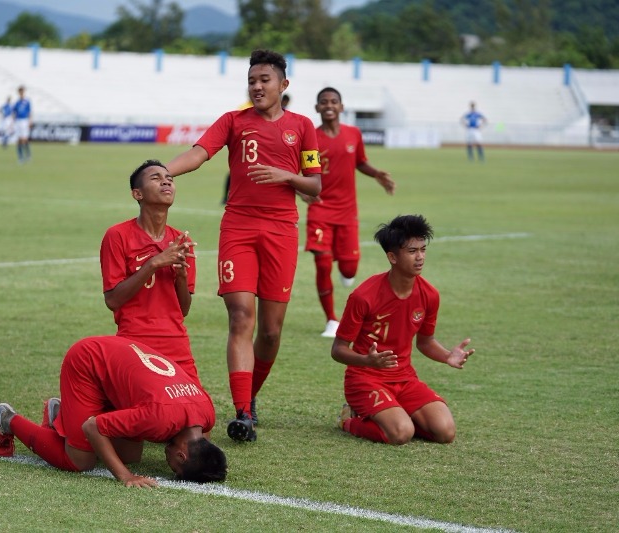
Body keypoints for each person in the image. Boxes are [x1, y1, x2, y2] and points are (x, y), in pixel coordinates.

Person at [166, 49, 322, 442]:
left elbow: (315, 186)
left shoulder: (302, 126)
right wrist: (161, 171)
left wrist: (286, 176)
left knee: (270, 332)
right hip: (238, 228)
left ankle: (250, 395)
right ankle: (242, 413)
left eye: (264, 80)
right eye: (252, 80)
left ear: (283, 85)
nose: (256, 86)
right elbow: (199, 153)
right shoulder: (233, 121)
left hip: (281, 233)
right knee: (240, 317)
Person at [0, 335, 227, 487]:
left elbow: (202, 445)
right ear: (181, 456)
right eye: (174, 467)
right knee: (80, 460)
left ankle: (61, 415)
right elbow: (92, 427)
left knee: (129, 455)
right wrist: (125, 476)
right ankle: (7, 419)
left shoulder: (206, 414)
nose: (168, 464)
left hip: (116, 357)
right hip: (88, 361)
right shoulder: (158, 419)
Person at [330, 214, 475, 445]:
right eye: (412, 251)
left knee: (445, 432)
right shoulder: (363, 296)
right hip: (365, 379)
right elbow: (338, 350)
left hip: (405, 378)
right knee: (400, 433)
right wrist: (367, 361)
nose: (420, 257)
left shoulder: (429, 295)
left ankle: (396, 414)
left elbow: (425, 342)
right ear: (392, 257)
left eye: (423, 249)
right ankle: (348, 420)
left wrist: (448, 356)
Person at [303, 87, 396, 339]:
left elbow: (360, 162)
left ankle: (346, 272)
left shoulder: (353, 134)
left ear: (341, 107)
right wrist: (302, 192)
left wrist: (376, 174)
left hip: (347, 212)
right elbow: (304, 173)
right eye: (324, 102)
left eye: (334, 101)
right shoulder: (312, 138)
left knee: (349, 269)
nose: (329, 105)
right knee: (323, 263)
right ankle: (331, 320)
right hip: (320, 210)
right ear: (317, 108)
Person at [100, 160, 200, 383]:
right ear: (138, 194)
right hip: (135, 341)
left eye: (169, 179)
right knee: (151, 403)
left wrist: (181, 277)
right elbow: (113, 300)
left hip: (177, 342)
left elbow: (183, 309)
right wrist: (153, 264)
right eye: (156, 178)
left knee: (199, 406)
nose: (166, 182)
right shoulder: (117, 236)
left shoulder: (182, 242)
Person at [12, 85, 32, 163]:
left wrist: (30, 121)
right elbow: (14, 113)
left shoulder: (27, 102)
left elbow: (30, 112)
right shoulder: (17, 103)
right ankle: (20, 157)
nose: (21, 93)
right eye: (20, 92)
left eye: (22, 91)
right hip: (18, 121)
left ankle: (28, 155)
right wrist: (12, 123)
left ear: (24, 92)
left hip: (24, 121)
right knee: (18, 140)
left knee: (25, 139)